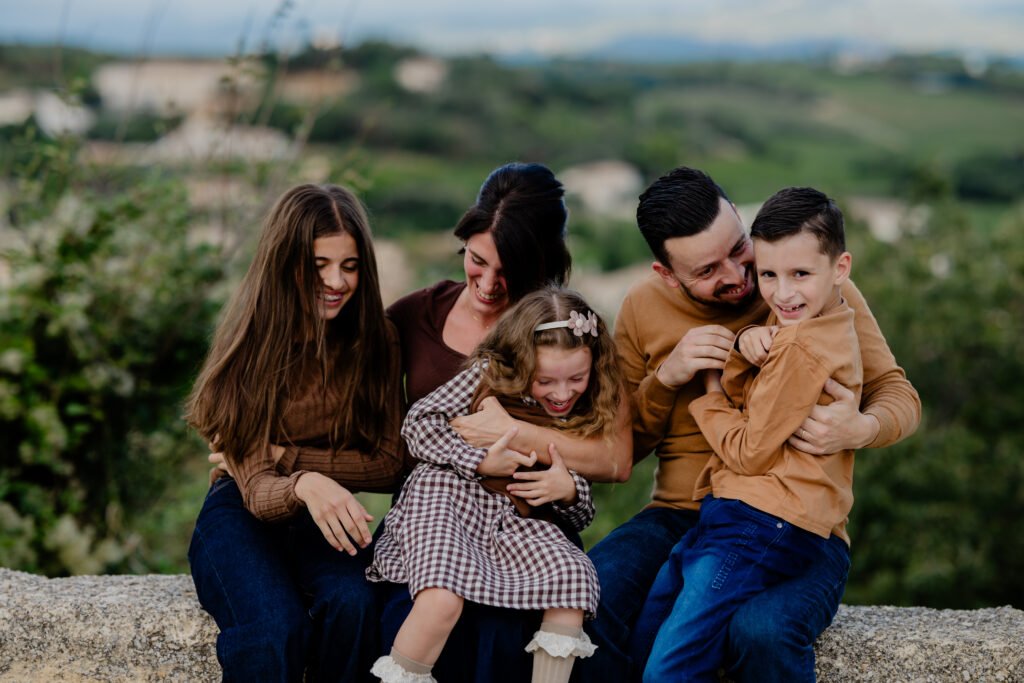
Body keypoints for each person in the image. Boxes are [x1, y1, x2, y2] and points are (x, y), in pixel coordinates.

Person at [579, 167, 921, 682]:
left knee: (762, 631)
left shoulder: (806, 284)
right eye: (707, 270)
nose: (739, 276)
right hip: (682, 511)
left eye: (738, 249)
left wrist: (861, 428)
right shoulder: (641, 307)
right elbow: (621, 449)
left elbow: (899, 394)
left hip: (793, 522)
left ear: (740, 218)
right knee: (592, 594)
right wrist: (667, 378)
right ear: (667, 275)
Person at [382, 162, 633, 682]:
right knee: (427, 609)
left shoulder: (573, 339)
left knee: (544, 608)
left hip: (527, 520)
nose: (490, 284)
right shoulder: (427, 325)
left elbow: (611, 459)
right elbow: (401, 419)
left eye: (509, 270)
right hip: (445, 509)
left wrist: (528, 451)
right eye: (477, 261)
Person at [636, 186, 861, 681]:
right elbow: (620, 447)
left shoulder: (803, 342)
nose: (780, 292)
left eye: (800, 275)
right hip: (727, 509)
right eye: (769, 275)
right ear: (667, 274)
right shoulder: (793, 322)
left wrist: (710, 389)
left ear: (839, 269)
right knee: (646, 625)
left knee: (670, 665)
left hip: (762, 518)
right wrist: (741, 343)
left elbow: (749, 451)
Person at [186, 184, 405, 682]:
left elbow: (392, 461)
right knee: (275, 629)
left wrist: (290, 459)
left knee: (354, 605)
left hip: (324, 518)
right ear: (286, 263)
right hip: (237, 513)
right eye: (318, 265)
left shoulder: (378, 341)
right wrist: (305, 482)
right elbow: (259, 492)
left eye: (349, 265)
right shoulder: (251, 342)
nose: (336, 281)